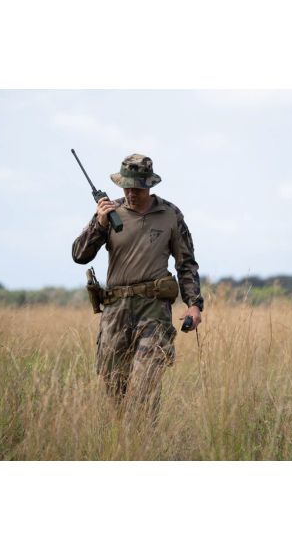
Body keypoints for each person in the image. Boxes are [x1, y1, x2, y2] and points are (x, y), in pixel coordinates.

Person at [72, 153, 203, 419]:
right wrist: (99, 224)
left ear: (149, 185)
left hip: (153, 311)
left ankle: (145, 445)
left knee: (146, 384)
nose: (131, 193)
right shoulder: (110, 213)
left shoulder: (170, 215)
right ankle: (124, 446)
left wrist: (194, 305)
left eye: (137, 188)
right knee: (113, 385)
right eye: (126, 187)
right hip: (115, 311)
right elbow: (79, 255)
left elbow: (186, 264)